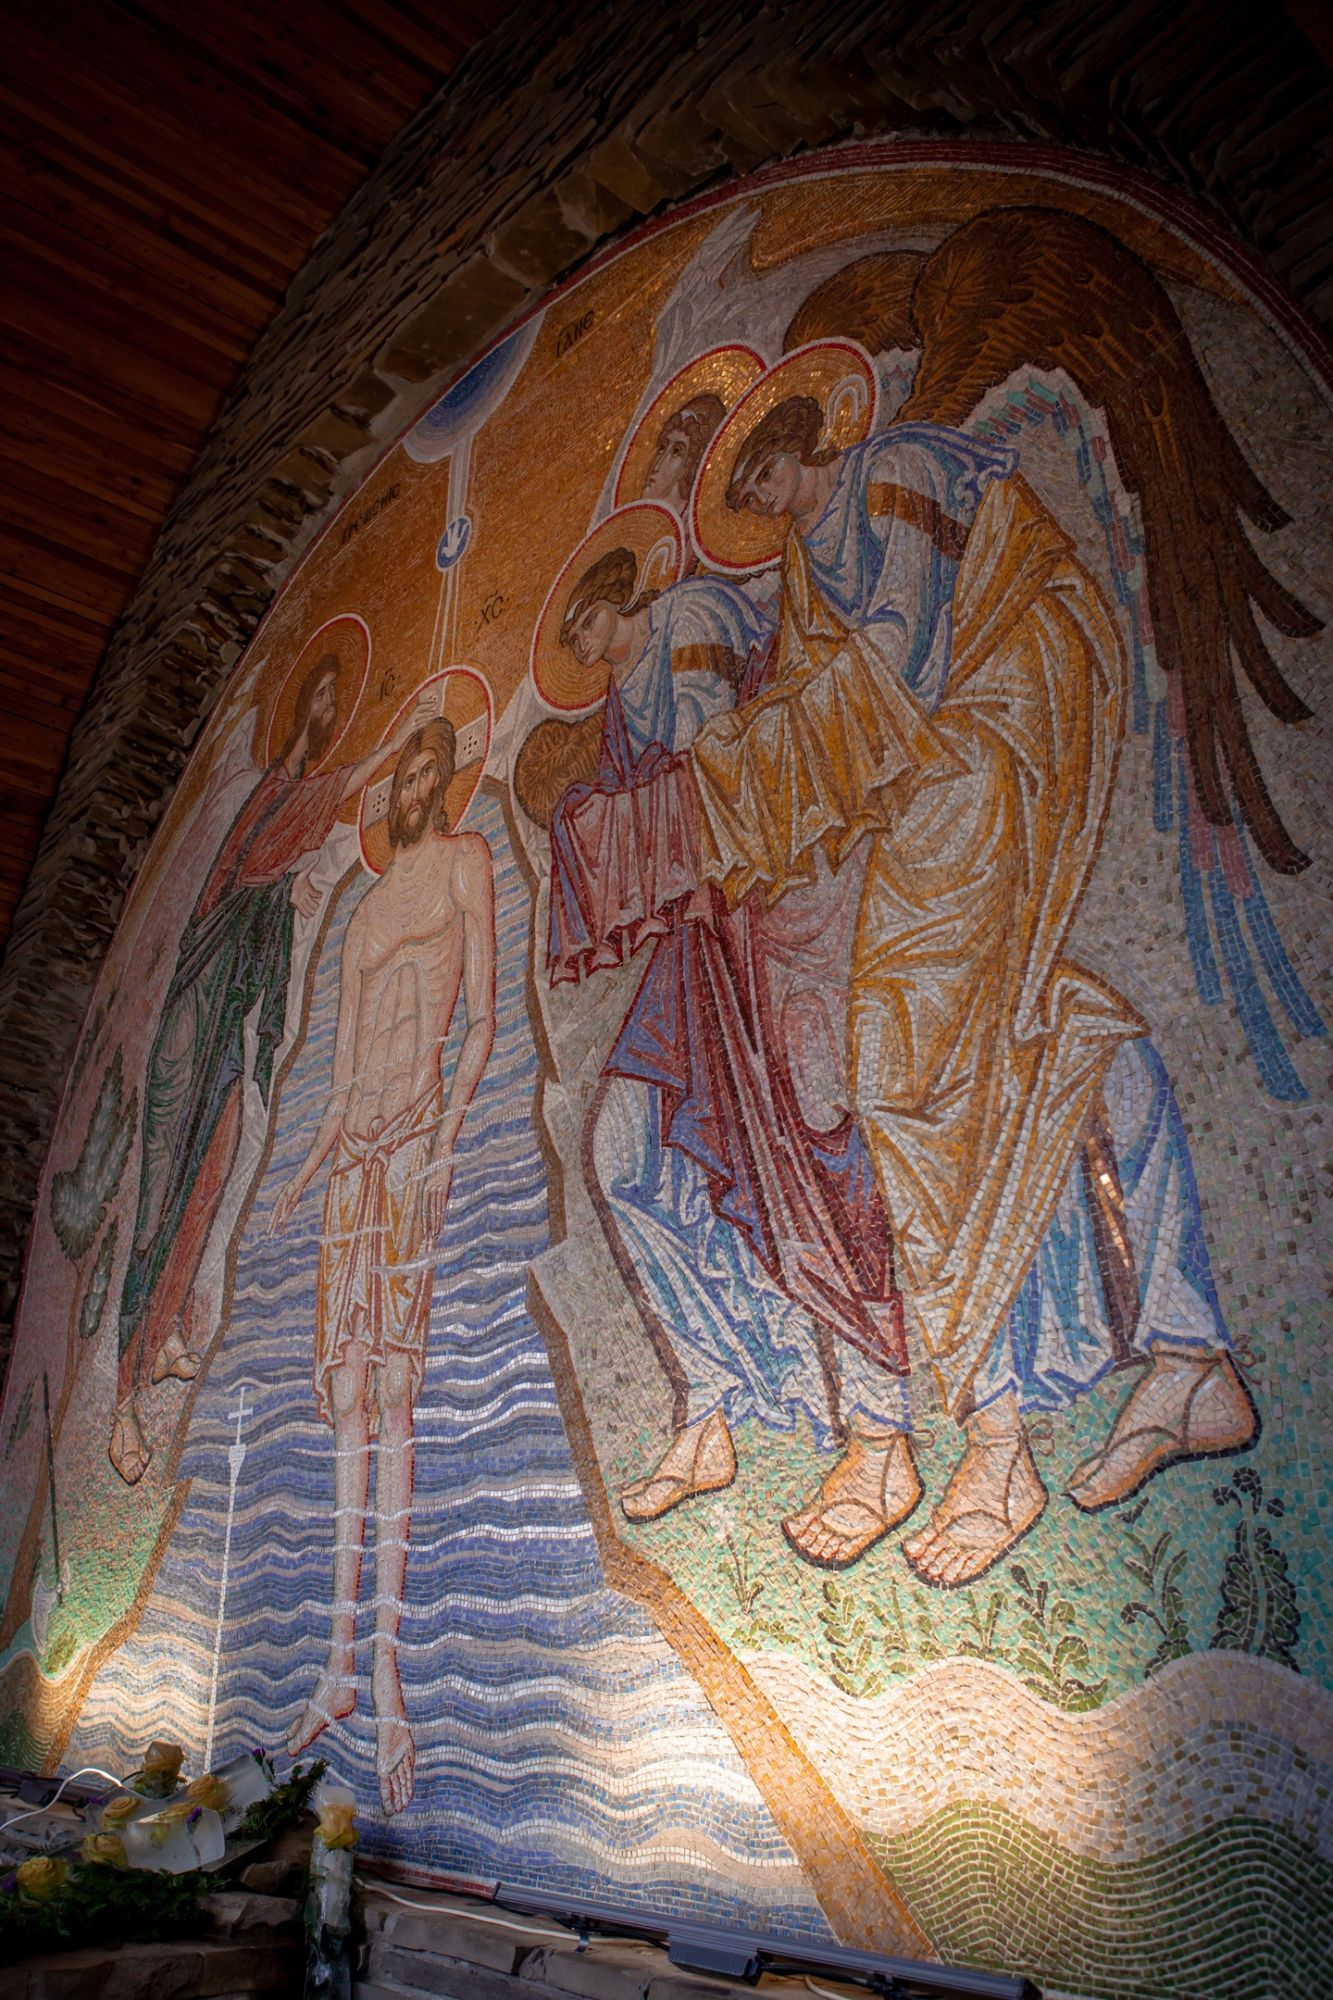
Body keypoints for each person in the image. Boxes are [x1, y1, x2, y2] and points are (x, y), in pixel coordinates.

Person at [684, 390, 1256, 1584]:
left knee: (908, 1069)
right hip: (924, 775)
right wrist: (750, 761)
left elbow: (900, 648)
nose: (761, 503)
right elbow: (831, 713)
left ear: (801, 447)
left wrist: (745, 756)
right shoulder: (800, 566)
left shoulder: (894, 468)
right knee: (1022, 1028)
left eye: (764, 476)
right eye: (746, 495)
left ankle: (1001, 1444)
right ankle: (1183, 1354)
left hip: (998, 733)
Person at [519, 544, 915, 1545]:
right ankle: (711, 1400)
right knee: (620, 1152)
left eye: (588, 625)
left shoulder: (691, 620)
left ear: (619, 601)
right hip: (700, 943)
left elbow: (714, 779)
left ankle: (879, 1426)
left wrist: (605, 826)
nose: (586, 649)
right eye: (574, 641)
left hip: (770, 917)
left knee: (804, 1148)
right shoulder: (623, 698)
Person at [110, 662, 438, 1486]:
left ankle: (168, 1331)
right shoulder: (266, 796)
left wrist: (295, 891)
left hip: (223, 1033)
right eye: (322, 697)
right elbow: (310, 815)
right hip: (189, 1032)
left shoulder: (281, 815)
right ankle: (121, 1401)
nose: (329, 709)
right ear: (299, 710)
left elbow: (284, 876)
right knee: (160, 1197)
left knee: (215, 1166)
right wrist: (401, 736)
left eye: (336, 699)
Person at [270, 719, 495, 1815]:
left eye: (429, 769)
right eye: (403, 768)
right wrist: (302, 1174)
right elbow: (339, 1070)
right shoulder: (362, 913)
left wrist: (445, 1140)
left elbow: (485, 1016)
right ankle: (335, 1667)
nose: (414, 782)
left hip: (412, 1142)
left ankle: (389, 1664)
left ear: (447, 783)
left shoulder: (466, 863)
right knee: (348, 1396)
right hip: (356, 1153)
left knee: (398, 1386)